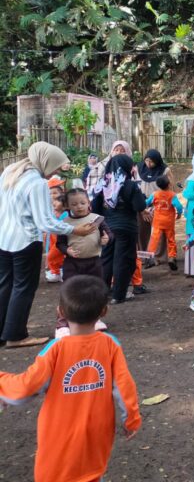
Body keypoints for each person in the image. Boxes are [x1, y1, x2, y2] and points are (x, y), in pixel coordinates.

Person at [0, 276, 141, 482]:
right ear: (104, 312)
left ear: (60, 312)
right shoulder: (111, 344)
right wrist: (131, 419)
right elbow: (124, 387)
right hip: (97, 439)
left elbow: (25, 389)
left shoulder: (55, 349)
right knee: (92, 478)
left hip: (60, 444)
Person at [0, 142, 96, 348]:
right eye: (55, 166)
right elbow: (45, 222)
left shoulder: (10, 171)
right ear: (46, 161)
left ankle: (3, 332)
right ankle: (16, 335)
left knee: (5, 285)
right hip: (25, 240)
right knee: (23, 288)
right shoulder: (36, 183)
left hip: (4, 239)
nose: (55, 172)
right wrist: (74, 230)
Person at [92, 155, 147, 304]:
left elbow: (95, 207)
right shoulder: (130, 184)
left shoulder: (103, 183)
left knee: (107, 259)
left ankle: (103, 293)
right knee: (123, 260)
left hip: (108, 227)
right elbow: (140, 206)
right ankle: (119, 295)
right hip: (127, 228)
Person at [58, 189, 112, 281]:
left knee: (94, 289)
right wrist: (67, 250)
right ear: (67, 205)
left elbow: (110, 234)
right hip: (72, 262)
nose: (79, 207)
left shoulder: (97, 219)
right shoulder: (65, 223)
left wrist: (107, 238)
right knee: (72, 289)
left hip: (94, 262)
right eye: (74, 204)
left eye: (82, 203)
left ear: (88, 203)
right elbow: (60, 243)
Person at [137, 149, 171, 263]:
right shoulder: (139, 168)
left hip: (159, 204)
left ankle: (159, 256)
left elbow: (169, 188)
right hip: (142, 202)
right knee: (142, 230)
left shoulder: (165, 170)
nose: (148, 164)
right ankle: (144, 255)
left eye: (151, 161)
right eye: (146, 160)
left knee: (159, 231)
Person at [145, 175, 184, 271]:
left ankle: (150, 258)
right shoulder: (172, 195)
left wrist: (146, 208)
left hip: (157, 221)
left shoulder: (155, 194)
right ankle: (172, 257)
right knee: (171, 239)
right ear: (169, 184)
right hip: (169, 221)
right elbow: (179, 206)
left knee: (154, 239)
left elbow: (146, 203)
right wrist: (179, 214)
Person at [44, 177, 68, 283]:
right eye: (50, 193)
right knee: (52, 254)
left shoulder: (65, 211)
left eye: (55, 193)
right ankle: (56, 272)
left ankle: (59, 271)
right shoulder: (48, 207)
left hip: (60, 237)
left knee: (52, 255)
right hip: (51, 236)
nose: (53, 195)